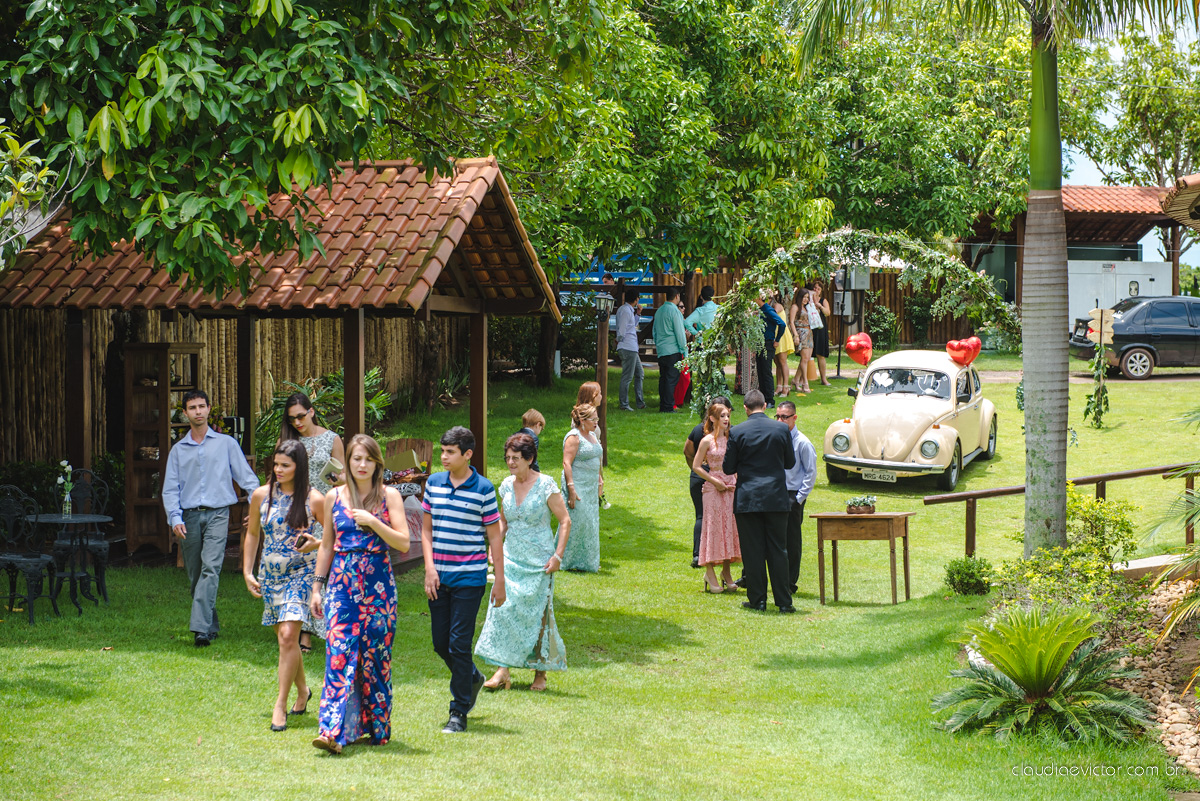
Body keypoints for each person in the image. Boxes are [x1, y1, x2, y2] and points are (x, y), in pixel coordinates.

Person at [309, 434, 409, 753]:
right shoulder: (333, 496)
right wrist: (317, 587)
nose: (362, 465)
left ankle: (376, 728)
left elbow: (404, 543)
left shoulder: (389, 496)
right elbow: (326, 544)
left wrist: (372, 522)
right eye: (356, 459)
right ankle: (332, 732)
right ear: (347, 463)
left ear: (377, 463)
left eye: (368, 459)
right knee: (338, 653)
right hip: (341, 585)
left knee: (375, 657)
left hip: (379, 587)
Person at [420, 426, 505, 734]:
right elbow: (426, 530)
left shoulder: (484, 488)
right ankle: (472, 676)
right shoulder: (433, 483)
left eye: (450, 452)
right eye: (442, 451)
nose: (443, 457)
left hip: (470, 577)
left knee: (458, 643)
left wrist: (500, 580)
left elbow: (494, 536)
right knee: (441, 643)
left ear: (467, 454)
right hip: (438, 577)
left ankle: (458, 712)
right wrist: (429, 569)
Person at [162, 390, 260, 647]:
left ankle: (200, 630)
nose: (198, 411)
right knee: (195, 574)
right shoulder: (178, 450)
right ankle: (209, 623)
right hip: (189, 517)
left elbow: (248, 479)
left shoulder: (226, 444)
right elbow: (170, 488)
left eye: (202, 406)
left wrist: (258, 507)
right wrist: (175, 518)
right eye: (192, 407)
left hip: (218, 514)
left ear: (208, 409)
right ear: (185, 413)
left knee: (211, 567)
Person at [476, 433, 572, 692]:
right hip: (510, 558)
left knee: (540, 615)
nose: (510, 462)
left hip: (540, 560)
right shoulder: (506, 485)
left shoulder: (546, 485)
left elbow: (565, 521)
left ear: (530, 459)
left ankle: (540, 673)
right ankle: (502, 670)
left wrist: (558, 556)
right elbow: (503, 522)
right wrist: (492, 548)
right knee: (502, 610)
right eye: (507, 458)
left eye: (515, 458)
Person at [242, 440, 326, 731]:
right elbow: (252, 534)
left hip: (301, 575)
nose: (278, 470)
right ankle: (303, 691)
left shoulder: (314, 499)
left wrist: (315, 544)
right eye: (276, 464)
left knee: (289, 634)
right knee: (286, 640)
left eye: (285, 465)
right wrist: (247, 570)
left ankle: (280, 704)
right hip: (270, 575)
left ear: (298, 467)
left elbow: (333, 537)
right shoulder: (261, 495)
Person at [280, 391, 345, 653]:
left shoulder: (332, 438)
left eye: (300, 416)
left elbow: (343, 477)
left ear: (312, 411)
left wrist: (336, 479)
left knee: (316, 572)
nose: (297, 422)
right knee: (296, 571)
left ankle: (307, 633)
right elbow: (279, 473)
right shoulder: (287, 440)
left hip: (324, 511)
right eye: (291, 418)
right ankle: (295, 626)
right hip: (294, 512)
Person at [722, 389, 796, 613]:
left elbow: (728, 468)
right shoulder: (782, 429)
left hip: (749, 499)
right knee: (778, 550)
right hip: (775, 497)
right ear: (765, 406)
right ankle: (784, 602)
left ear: (745, 409)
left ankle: (758, 600)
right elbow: (790, 463)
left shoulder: (737, 432)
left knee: (753, 551)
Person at [693, 399, 742, 594]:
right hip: (713, 489)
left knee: (729, 528)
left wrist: (734, 480)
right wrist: (714, 481)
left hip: (731, 487)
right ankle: (710, 572)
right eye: (722, 416)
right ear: (713, 418)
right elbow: (696, 466)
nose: (726, 419)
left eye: (728, 416)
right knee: (713, 528)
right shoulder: (706, 441)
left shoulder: (732, 439)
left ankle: (727, 573)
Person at [775, 401, 817, 596]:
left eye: (785, 417)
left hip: (793, 495)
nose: (781, 420)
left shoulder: (802, 442)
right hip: (775, 493)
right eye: (778, 416)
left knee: (792, 540)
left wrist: (799, 499)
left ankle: (791, 582)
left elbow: (810, 473)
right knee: (774, 538)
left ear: (794, 418)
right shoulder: (776, 438)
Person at [560, 403, 603, 572]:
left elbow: (596, 458)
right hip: (577, 484)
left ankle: (588, 562)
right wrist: (571, 488)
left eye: (597, 418)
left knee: (590, 523)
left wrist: (600, 480)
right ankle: (565, 560)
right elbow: (566, 463)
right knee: (577, 521)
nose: (596, 422)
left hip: (591, 486)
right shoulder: (574, 437)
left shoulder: (592, 435)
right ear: (583, 421)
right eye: (593, 419)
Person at [652, 288, 688, 412]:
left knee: (663, 379)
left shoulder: (659, 311)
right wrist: (685, 350)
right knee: (671, 380)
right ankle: (668, 406)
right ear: (677, 296)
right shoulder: (675, 311)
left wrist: (658, 344)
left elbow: (654, 332)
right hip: (673, 350)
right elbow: (680, 333)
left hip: (662, 350)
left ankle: (664, 404)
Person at [616, 290, 645, 411]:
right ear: (636, 299)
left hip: (631, 347)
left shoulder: (628, 310)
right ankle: (624, 403)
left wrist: (638, 314)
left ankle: (640, 402)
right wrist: (619, 340)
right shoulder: (625, 311)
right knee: (627, 376)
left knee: (640, 373)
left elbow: (631, 326)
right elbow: (622, 329)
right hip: (627, 346)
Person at [758, 291, 787, 409]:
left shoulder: (768, 310)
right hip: (759, 343)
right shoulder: (760, 310)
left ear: (759, 298)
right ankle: (763, 399)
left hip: (768, 343)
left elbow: (782, 324)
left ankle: (770, 400)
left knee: (766, 371)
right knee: (760, 371)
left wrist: (777, 339)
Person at [807, 281, 833, 387]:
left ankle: (823, 378)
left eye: (818, 288)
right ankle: (801, 379)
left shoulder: (823, 301)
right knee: (806, 354)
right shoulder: (807, 299)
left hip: (820, 328)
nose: (816, 290)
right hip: (810, 328)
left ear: (821, 291)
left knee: (820, 354)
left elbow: (828, 313)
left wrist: (820, 307)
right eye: (815, 288)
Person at [789, 287, 814, 394]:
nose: (806, 299)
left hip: (809, 333)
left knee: (807, 359)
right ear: (799, 297)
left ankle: (795, 380)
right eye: (804, 297)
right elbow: (791, 322)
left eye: (807, 297)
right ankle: (804, 383)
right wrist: (795, 335)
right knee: (804, 358)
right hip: (801, 332)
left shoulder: (807, 307)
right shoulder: (795, 307)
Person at [773, 293, 793, 398]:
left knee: (782, 361)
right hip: (775, 335)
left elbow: (772, 315)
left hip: (782, 336)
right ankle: (779, 386)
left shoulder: (777, 306)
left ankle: (786, 387)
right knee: (777, 362)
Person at [516, 408, 545, 473]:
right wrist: (537, 473)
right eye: (541, 428)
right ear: (538, 424)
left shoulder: (515, 435)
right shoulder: (533, 438)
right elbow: (532, 459)